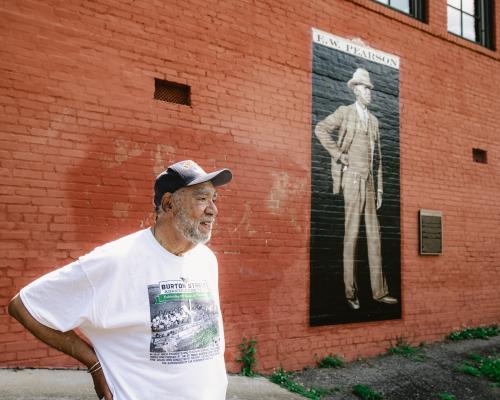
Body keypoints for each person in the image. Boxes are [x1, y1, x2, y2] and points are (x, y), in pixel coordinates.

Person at [8, 159, 232, 399]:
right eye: (201, 199)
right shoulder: (116, 260)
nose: (213, 209)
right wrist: (94, 364)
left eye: (214, 199)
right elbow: (24, 306)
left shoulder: (206, 259)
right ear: (168, 204)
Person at [315, 68, 397, 310]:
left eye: (370, 88)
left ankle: (379, 292)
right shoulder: (345, 112)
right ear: (355, 90)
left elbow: (378, 158)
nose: (369, 92)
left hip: (370, 184)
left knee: (375, 238)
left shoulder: (374, 121)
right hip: (351, 180)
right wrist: (339, 155)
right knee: (351, 236)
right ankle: (350, 293)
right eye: (365, 88)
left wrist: (380, 190)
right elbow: (320, 129)